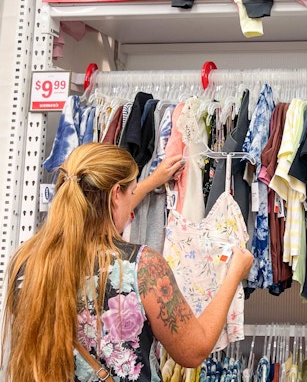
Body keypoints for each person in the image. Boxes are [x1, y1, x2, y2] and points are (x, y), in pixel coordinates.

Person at [1, 142, 254, 382]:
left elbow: (98, 211)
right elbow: (193, 351)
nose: (133, 208)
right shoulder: (142, 268)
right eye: (131, 192)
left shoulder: (26, 262)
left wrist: (147, 184)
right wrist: (233, 275)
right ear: (114, 195)